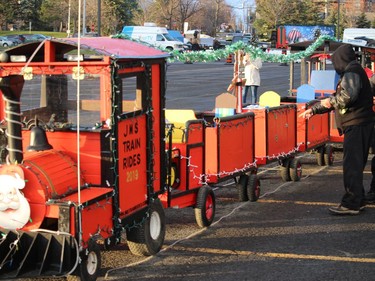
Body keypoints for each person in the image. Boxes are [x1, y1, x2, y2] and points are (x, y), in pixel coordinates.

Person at [300, 44, 375, 215]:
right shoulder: (356, 70)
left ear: (341, 59)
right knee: (356, 165)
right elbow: (343, 97)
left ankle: (351, 204)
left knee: (352, 165)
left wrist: (329, 102)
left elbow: (347, 97)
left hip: (356, 124)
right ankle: (358, 199)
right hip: (362, 123)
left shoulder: (352, 72)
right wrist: (315, 110)